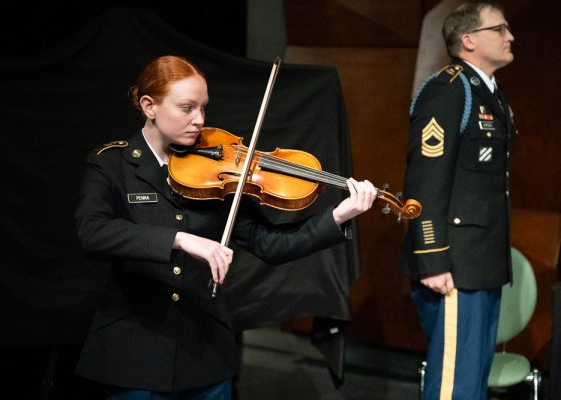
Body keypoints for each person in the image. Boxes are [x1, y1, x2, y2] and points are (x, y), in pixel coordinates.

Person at [74, 55, 377, 399]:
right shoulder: (111, 163)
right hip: (134, 352)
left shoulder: (218, 166)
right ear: (149, 106)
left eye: (203, 108)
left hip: (206, 352)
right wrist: (180, 239)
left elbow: (270, 244)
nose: (199, 120)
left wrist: (339, 215)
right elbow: (93, 232)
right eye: (187, 108)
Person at [400, 2, 516, 399]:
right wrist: (431, 256)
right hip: (453, 265)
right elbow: (425, 181)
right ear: (468, 40)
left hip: (481, 261)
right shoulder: (449, 90)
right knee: (454, 384)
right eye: (499, 29)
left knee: (472, 379)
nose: (510, 36)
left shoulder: (490, 93)